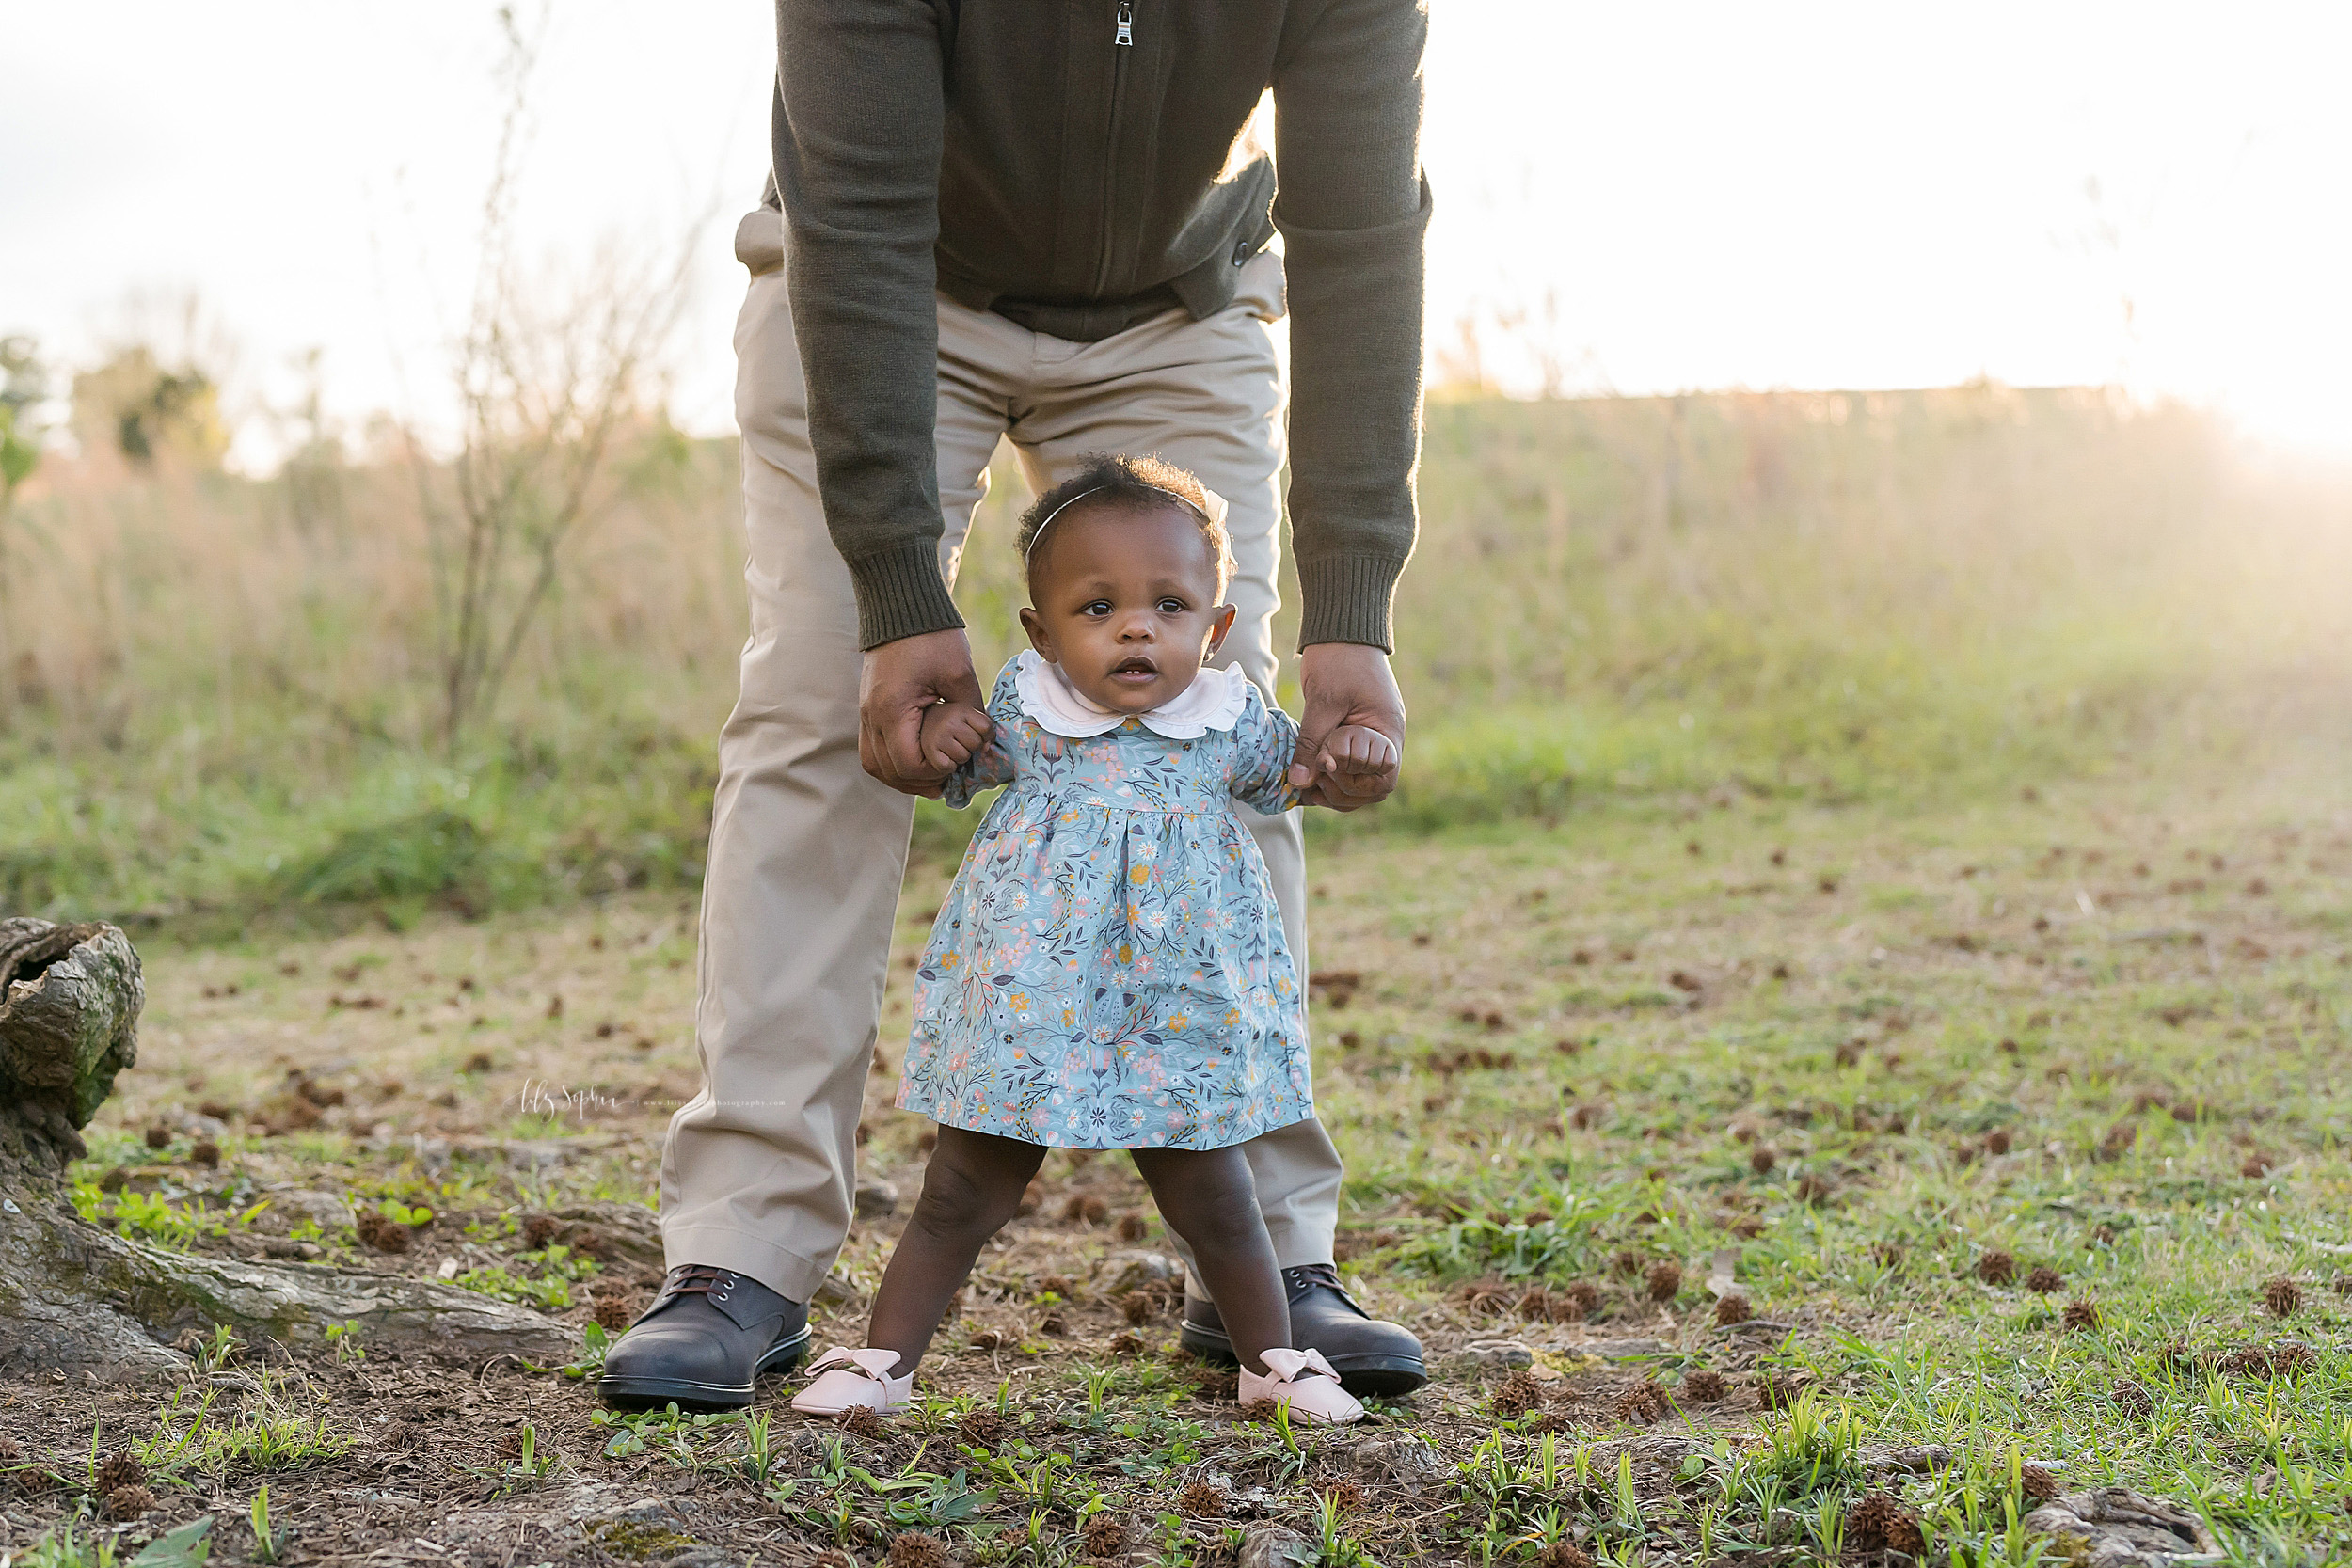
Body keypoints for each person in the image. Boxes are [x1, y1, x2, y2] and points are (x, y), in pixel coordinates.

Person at [598, 0, 1433, 1412]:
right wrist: (891, 582)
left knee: (1222, 737)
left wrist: (1358, 607)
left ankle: (1270, 1257)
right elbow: (853, 211)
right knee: (820, 706)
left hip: (1183, 309)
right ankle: (743, 1250)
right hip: (887, 290)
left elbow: (1358, 223)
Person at [787, 457, 1394, 1425]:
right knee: (962, 1182)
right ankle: (882, 1361)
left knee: (1216, 1191)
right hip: (1034, 997)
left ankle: (1272, 1358)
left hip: (1177, 1006)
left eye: (1168, 604)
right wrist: (943, 738)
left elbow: (1312, 771)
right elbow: (947, 766)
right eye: (1097, 606)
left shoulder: (1231, 720)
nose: (1135, 626)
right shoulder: (1029, 709)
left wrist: (1357, 757)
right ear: (1042, 629)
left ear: (1215, 626)